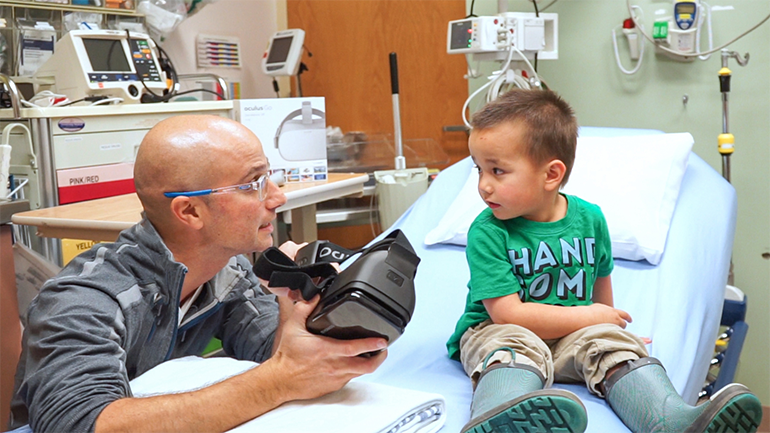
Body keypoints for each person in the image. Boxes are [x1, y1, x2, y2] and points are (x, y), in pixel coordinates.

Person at [9, 115, 388, 433]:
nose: (276, 197)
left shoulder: (228, 268)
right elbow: (83, 423)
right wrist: (278, 381)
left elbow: (269, 355)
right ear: (190, 212)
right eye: (254, 184)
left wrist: (299, 311)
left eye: (270, 178)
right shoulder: (85, 299)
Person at [446, 89, 762, 433]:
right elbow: (507, 313)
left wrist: (608, 329)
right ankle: (498, 415)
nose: (484, 186)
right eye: (479, 170)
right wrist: (590, 315)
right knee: (511, 351)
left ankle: (669, 420)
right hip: (502, 330)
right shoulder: (488, 231)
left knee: (615, 348)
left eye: (497, 171)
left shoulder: (590, 219)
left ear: (551, 175)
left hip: (571, 336)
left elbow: (601, 294)